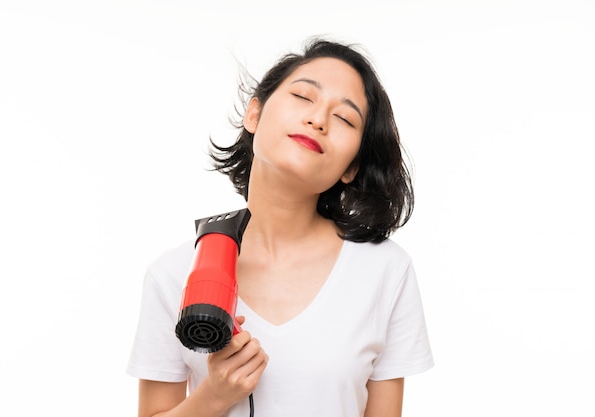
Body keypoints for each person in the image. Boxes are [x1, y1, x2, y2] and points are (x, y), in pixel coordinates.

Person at [127, 37, 433, 417]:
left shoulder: (385, 270)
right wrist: (214, 397)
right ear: (254, 114)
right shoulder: (172, 274)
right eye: (304, 97)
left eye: (344, 118)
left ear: (352, 167)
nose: (318, 119)